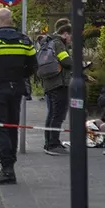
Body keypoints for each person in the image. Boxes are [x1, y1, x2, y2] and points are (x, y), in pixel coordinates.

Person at [0, 8, 38, 185]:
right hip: (16, 89)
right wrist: (21, 77)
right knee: (12, 126)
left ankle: (7, 168)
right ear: (11, 20)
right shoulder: (25, 40)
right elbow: (33, 65)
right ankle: (10, 167)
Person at [41, 23, 73, 155]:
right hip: (58, 83)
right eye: (71, 36)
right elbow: (65, 61)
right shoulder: (58, 43)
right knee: (58, 115)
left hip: (50, 83)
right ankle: (53, 144)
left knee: (52, 114)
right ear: (65, 33)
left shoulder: (49, 42)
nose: (72, 39)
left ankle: (49, 143)